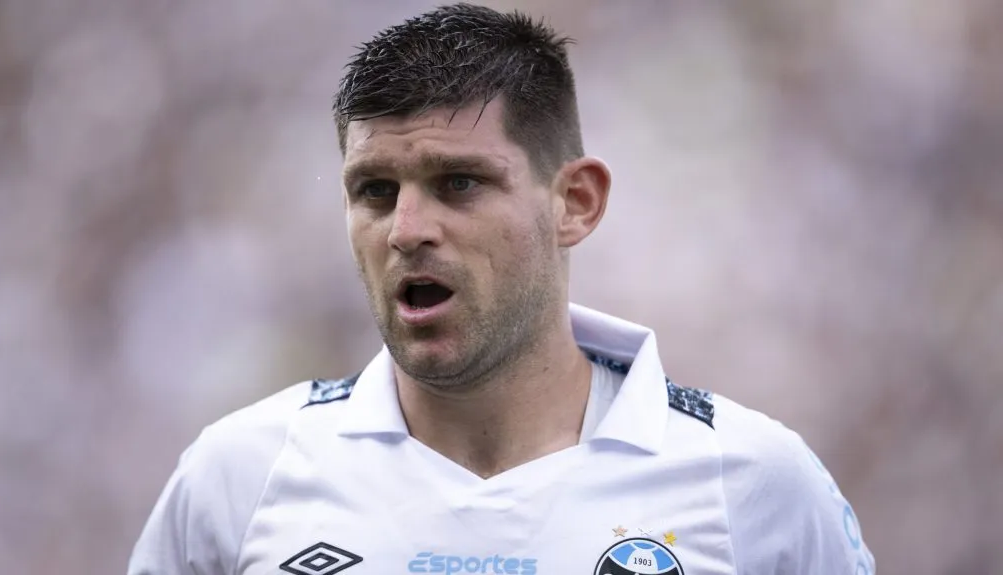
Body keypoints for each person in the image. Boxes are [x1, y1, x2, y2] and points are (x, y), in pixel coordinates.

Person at [129, 4, 875, 574]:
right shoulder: (241, 475)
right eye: (376, 190)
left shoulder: (752, 481)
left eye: (459, 183)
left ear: (575, 201)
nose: (406, 229)